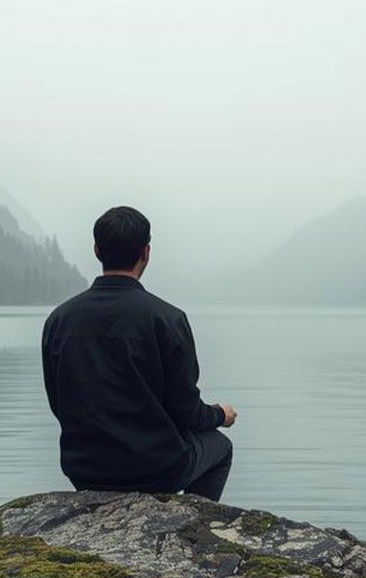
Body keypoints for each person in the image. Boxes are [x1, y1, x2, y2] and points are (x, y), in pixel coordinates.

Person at [41, 206, 237, 500]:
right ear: (146, 252)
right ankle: (197, 528)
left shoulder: (59, 320)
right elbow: (186, 413)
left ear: (96, 250)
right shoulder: (167, 319)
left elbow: (59, 404)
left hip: (84, 471)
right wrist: (220, 414)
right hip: (157, 471)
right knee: (220, 447)